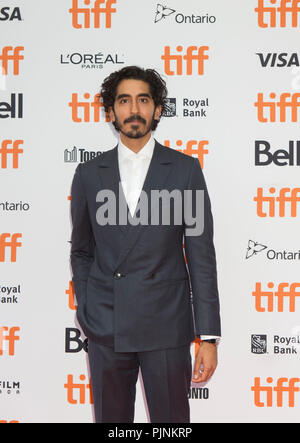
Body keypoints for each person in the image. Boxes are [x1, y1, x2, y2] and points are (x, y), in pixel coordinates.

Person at [70, 65, 221, 423]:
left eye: (143, 99)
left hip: (166, 324)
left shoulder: (185, 170)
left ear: (157, 109)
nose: (133, 109)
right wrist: (89, 307)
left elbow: (201, 254)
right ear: (110, 111)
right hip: (107, 325)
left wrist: (209, 337)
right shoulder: (89, 174)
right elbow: (81, 250)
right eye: (123, 101)